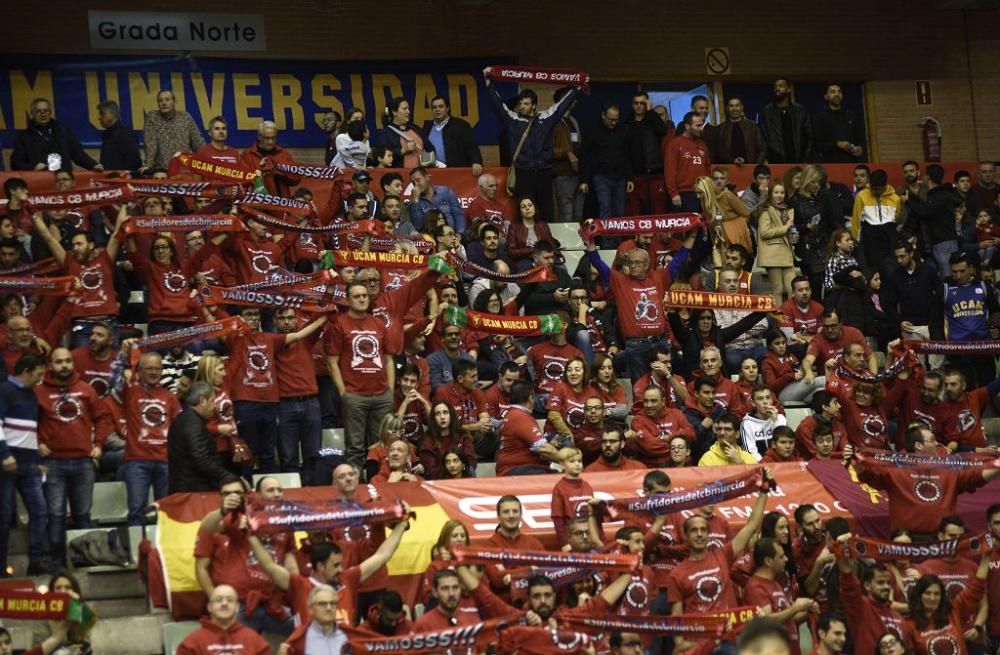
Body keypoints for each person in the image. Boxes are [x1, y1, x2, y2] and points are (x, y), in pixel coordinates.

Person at [667, 468, 774, 649]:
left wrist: (763, 491)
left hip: (729, 641)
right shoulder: (676, 575)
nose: (700, 534)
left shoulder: (723, 556)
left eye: (703, 530)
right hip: (700, 644)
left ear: (709, 534)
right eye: (694, 530)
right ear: (686, 536)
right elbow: (677, 620)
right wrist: (683, 643)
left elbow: (752, 525)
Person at [248, 508, 410, 626]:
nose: (341, 569)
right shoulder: (300, 586)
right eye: (336, 565)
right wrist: (250, 535)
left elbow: (382, 556)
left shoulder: (348, 579)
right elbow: (269, 565)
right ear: (319, 566)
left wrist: (401, 525)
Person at [36, 348, 110, 564]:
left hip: (83, 461)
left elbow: (103, 417)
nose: (65, 365)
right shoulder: (38, 392)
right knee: (56, 515)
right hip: (53, 463)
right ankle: (59, 563)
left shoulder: (85, 389)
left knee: (83, 514)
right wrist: (37, 443)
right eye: (59, 362)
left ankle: (84, 560)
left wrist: (99, 445)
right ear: (51, 365)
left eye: (68, 361)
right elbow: (29, 422)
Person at [484, 68, 581, 222]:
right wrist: (488, 84)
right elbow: (498, 106)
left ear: (534, 106)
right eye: (521, 103)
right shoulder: (513, 120)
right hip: (523, 172)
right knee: (524, 207)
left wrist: (577, 88)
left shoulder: (545, 119)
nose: (522, 106)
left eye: (526, 103)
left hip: (544, 171)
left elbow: (561, 106)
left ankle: (548, 240)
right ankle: (524, 241)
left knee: (547, 208)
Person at [110, 342, 181, 525]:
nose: (153, 372)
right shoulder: (131, 392)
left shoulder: (170, 398)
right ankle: (137, 553)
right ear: (139, 370)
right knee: (136, 511)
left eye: (157, 368)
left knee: (165, 512)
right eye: (148, 368)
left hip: (165, 461)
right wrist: (123, 355)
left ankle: (161, 552)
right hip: (137, 461)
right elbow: (115, 378)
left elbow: (179, 430)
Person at [327, 282, 394, 469]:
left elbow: (388, 359)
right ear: (347, 300)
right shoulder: (339, 323)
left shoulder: (379, 324)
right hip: (354, 395)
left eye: (364, 295)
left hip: (382, 395)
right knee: (355, 448)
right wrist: (344, 393)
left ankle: (379, 484)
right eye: (357, 296)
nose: (362, 299)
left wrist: (390, 390)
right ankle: (355, 489)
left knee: (381, 447)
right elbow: (332, 362)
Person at [0, 353, 51, 576]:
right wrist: (3, 454)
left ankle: (36, 561)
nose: (40, 379)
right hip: (7, 462)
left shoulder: (31, 395)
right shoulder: (4, 390)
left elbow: (30, 430)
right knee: (4, 515)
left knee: (40, 512)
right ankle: (1, 566)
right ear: (26, 370)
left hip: (29, 463)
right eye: (38, 374)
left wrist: (36, 461)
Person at [744, 537, 818, 654]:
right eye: (781, 556)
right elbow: (766, 620)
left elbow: (787, 618)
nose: (786, 559)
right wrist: (795, 608)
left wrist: (806, 609)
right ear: (768, 561)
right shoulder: (755, 586)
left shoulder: (775, 583)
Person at [905, 555, 989, 655]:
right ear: (919, 595)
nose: (932, 598)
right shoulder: (910, 626)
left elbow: (976, 587)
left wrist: (986, 557)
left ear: (942, 596)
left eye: (937, 594)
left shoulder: (953, 612)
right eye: (927, 593)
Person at [167, 382, 234, 493]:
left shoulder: (185, 419)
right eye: (212, 401)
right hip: (194, 491)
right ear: (203, 401)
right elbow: (202, 459)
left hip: (185, 487)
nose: (215, 406)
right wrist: (228, 478)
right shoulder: (193, 423)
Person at [11, 98, 101, 171]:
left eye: (46, 110)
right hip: (38, 182)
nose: (43, 114)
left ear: (50, 113)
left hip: (63, 181)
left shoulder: (63, 132)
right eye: (39, 111)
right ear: (32, 114)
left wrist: (93, 165)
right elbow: (15, 162)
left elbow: (77, 154)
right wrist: (33, 168)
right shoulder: (23, 137)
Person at [176, 585, 270, 655]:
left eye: (230, 600)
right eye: (218, 600)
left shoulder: (255, 641)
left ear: (237, 607)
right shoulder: (192, 643)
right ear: (209, 607)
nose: (224, 603)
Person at [579, 103, 633, 219]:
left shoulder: (623, 130)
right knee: (605, 207)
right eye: (611, 120)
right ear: (603, 115)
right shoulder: (593, 131)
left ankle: (617, 237)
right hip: (601, 176)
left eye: (616, 120)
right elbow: (584, 156)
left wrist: (630, 178)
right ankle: (607, 237)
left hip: (620, 177)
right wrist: (584, 180)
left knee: (619, 210)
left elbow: (627, 155)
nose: (614, 123)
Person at [496, 381, 559, 476]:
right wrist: (567, 459)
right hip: (518, 469)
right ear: (530, 398)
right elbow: (543, 448)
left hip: (519, 468)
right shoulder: (520, 417)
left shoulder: (512, 414)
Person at [625, 91, 668, 216]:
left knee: (658, 211)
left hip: (654, 173)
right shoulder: (626, 124)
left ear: (647, 104)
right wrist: (629, 176)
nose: (639, 106)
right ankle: (638, 236)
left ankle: (659, 236)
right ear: (632, 105)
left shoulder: (652, 121)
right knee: (635, 213)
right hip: (635, 176)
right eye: (636, 103)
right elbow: (625, 152)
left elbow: (662, 130)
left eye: (642, 103)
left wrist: (650, 111)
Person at [141, 90, 204, 171]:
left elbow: (198, 143)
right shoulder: (152, 118)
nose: (164, 103)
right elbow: (150, 144)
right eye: (160, 100)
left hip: (183, 169)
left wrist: (209, 164)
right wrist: (148, 165)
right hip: (161, 170)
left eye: (167, 99)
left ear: (174, 102)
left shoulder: (185, 117)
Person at [550, 447, 600, 547]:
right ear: (562, 464)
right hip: (573, 538)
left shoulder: (587, 485)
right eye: (572, 461)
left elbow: (593, 515)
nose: (577, 464)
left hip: (589, 537)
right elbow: (557, 518)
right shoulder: (559, 488)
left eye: (579, 461)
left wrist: (597, 506)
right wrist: (564, 543)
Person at [757, 182, 797, 307]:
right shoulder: (766, 210)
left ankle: (791, 315)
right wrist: (785, 228)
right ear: (770, 194)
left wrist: (793, 235)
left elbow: (789, 230)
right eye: (776, 192)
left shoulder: (787, 210)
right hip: (772, 254)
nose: (779, 195)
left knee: (793, 288)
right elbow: (764, 232)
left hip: (786, 252)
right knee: (778, 289)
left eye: (782, 192)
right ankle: (779, 318)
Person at [280, 584, 347, 655]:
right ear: (310, 609)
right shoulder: (299, 639)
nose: (329, 608)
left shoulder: (349, 635)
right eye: (322, 604)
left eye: (332, 603)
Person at [239, 120, 300, 197]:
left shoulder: (283, 154)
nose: (270, 142)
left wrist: (278, 169)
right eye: (267, 138)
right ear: (259, 137)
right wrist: (260, 172)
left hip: (281, 204)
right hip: (257, 204)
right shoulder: (247, 155)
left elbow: (296, 179)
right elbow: (242, 180)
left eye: (273, 138)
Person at [422, 95, 482, 172]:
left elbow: (471, 146)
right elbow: (423, 149)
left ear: (447, 108)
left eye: (441, 106)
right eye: (434, 107)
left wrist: (476, 162)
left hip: (455, 172)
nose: (437, 109)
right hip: (432, 172)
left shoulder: (461, 125)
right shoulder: (427, 127)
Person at [665, 112, 711, 212]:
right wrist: (674, 194)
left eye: (701, 125)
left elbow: (707, 168)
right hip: (684, 193)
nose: (701, 128)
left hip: (703, 192)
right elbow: (670, 171)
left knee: (704, 225)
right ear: (687, 126)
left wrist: (708, 190)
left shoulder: (702, 144)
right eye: (697, 125)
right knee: (688, 227)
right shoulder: (674, 144)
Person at [761, 78, 813, 163]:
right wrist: (766, 158)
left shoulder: (800, 111)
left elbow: (809, 136)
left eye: (781, 86)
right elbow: (763, 137)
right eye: (776, 86)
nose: (777, 88)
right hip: (775, 161)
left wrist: (805, 159)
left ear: (788, 89)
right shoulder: (767, 112)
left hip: (798, 160)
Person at [813, 83, 865, 163]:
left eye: (839, 92)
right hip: (831, 163)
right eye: (832, 92)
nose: (837, 94)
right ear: (826, 96)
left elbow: (860, 138)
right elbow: (818, 145)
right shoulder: (820, 118)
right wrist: (837, 144)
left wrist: (860, 148)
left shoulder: (851, 115)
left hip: (852, 162)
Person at [409, 166, 465, 234]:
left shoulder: (446, 191)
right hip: (431, 240)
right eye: (413, 183)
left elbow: (458, 214)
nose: (416, 184)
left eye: (418, 180)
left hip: (452, 235)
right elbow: (418, 226)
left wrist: (460, 234)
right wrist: (415, 201)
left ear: (427, 177)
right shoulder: (415, 203)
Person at [712, 95, 766, 165]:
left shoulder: (753, 127)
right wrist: (732, 161)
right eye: (731, 106)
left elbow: (762, 149)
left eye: (737, 105)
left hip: (751, 169)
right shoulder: (720, 129)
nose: (734, 109)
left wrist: (756, 166)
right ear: (727, 108)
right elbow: (718, 152)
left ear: (742, 107)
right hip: (728, 170)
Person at [377, 97, 426, 170]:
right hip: (399, 173)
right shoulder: (386, 133)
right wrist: (403, 150)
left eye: (408, 108)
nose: (408, 111)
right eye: (404, 109)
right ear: (394, 112)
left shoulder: (416, 129)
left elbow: (429, 147)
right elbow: (383, 156)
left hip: (421, 172)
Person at [97, 100, 141, 171]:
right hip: (107, 178)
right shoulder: (106, 134)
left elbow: (134, 163)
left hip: (122, 180)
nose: (99, 117)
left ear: (113, 114)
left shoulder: (127, 134)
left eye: (102, 114)